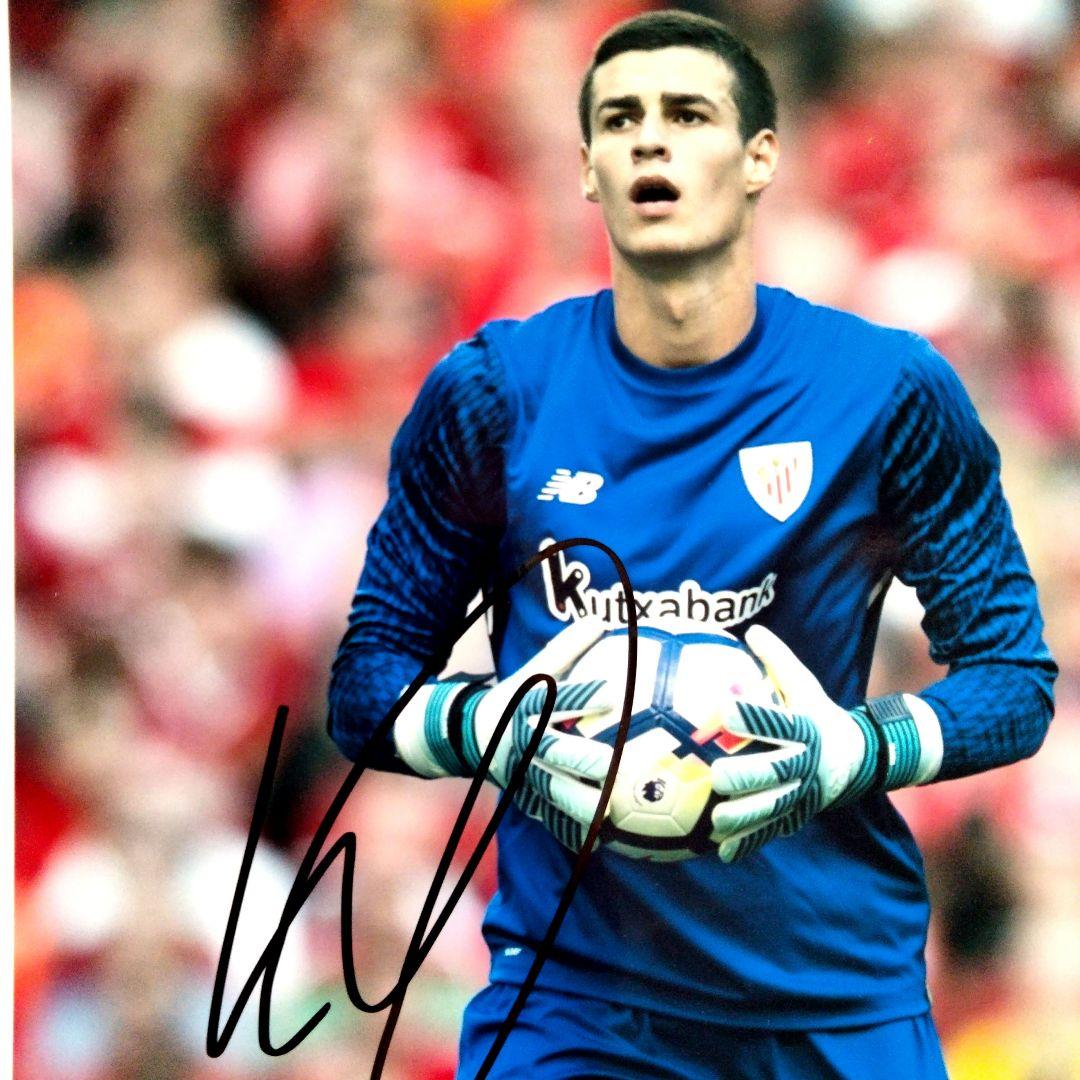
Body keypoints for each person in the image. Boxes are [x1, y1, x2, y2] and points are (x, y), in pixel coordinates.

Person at [328, 11, 1056, 1079]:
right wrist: (487, 726)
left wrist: (858, 749)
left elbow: (1014, 681)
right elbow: (365, 684)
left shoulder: (885, 392)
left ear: (760, 156)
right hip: (575, 1004)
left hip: (834, 996)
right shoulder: (494, 394)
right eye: (620, 120)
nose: (651, 142)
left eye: (687, 114)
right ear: (587, 168)